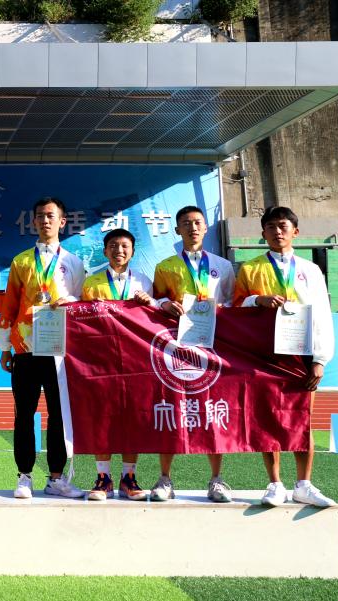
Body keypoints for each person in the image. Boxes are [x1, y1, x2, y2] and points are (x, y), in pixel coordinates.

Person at [232, 206, 335, 507]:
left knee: (303, 419)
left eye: (283, 226)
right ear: (262, 233)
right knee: (268, 419)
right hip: (265, 354)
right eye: (271, 227)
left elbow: (322, 314)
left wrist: (320, 359)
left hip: (302, 353)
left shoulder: (310, 270)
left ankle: (304, 484)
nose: (278, 232)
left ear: (295, 231)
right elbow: (235, 307)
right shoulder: (250, 269)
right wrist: (257, 299)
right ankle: (275, 483)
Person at [0, 197, 86, 499]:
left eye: (51, 216)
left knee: (59, 415)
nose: (45, 221)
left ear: (62, 221)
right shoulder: (21, 261)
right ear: (34, 222)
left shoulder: (73, 262)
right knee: (24, 413)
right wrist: (5, 347)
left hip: (60, 350)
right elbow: (9, 305)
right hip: (26, 348)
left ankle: (56, 478)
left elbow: (81, 302)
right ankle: (24, 476)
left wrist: (70, 301)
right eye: (40, 216)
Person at [150, 205, 235, 503]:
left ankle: (216, 479)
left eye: (197, 222)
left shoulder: (223, 266)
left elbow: (234, 303)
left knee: (212, 412)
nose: (192, 228)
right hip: (176, 351)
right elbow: (155, 303)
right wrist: (163, 305)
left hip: (213, 349)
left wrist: (222, 310)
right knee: (170, 411)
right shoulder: (165, 267)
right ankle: (165, 479)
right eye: (186, 223)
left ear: (206, 227)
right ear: (177, 230)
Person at [80, 228, 156, 501]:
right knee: (102, 416)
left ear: (133, 251)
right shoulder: (92, 283)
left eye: (124, 246)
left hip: (136, 360)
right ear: (105, 251)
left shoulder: (144, 281)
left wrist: (150, 302)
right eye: (113, 246)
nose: (119, 250)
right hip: (102, 360)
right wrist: (92, 309)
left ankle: (128, 477)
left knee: (132, 416)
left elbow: (155, 318)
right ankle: (103, 478)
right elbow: (82, 320)